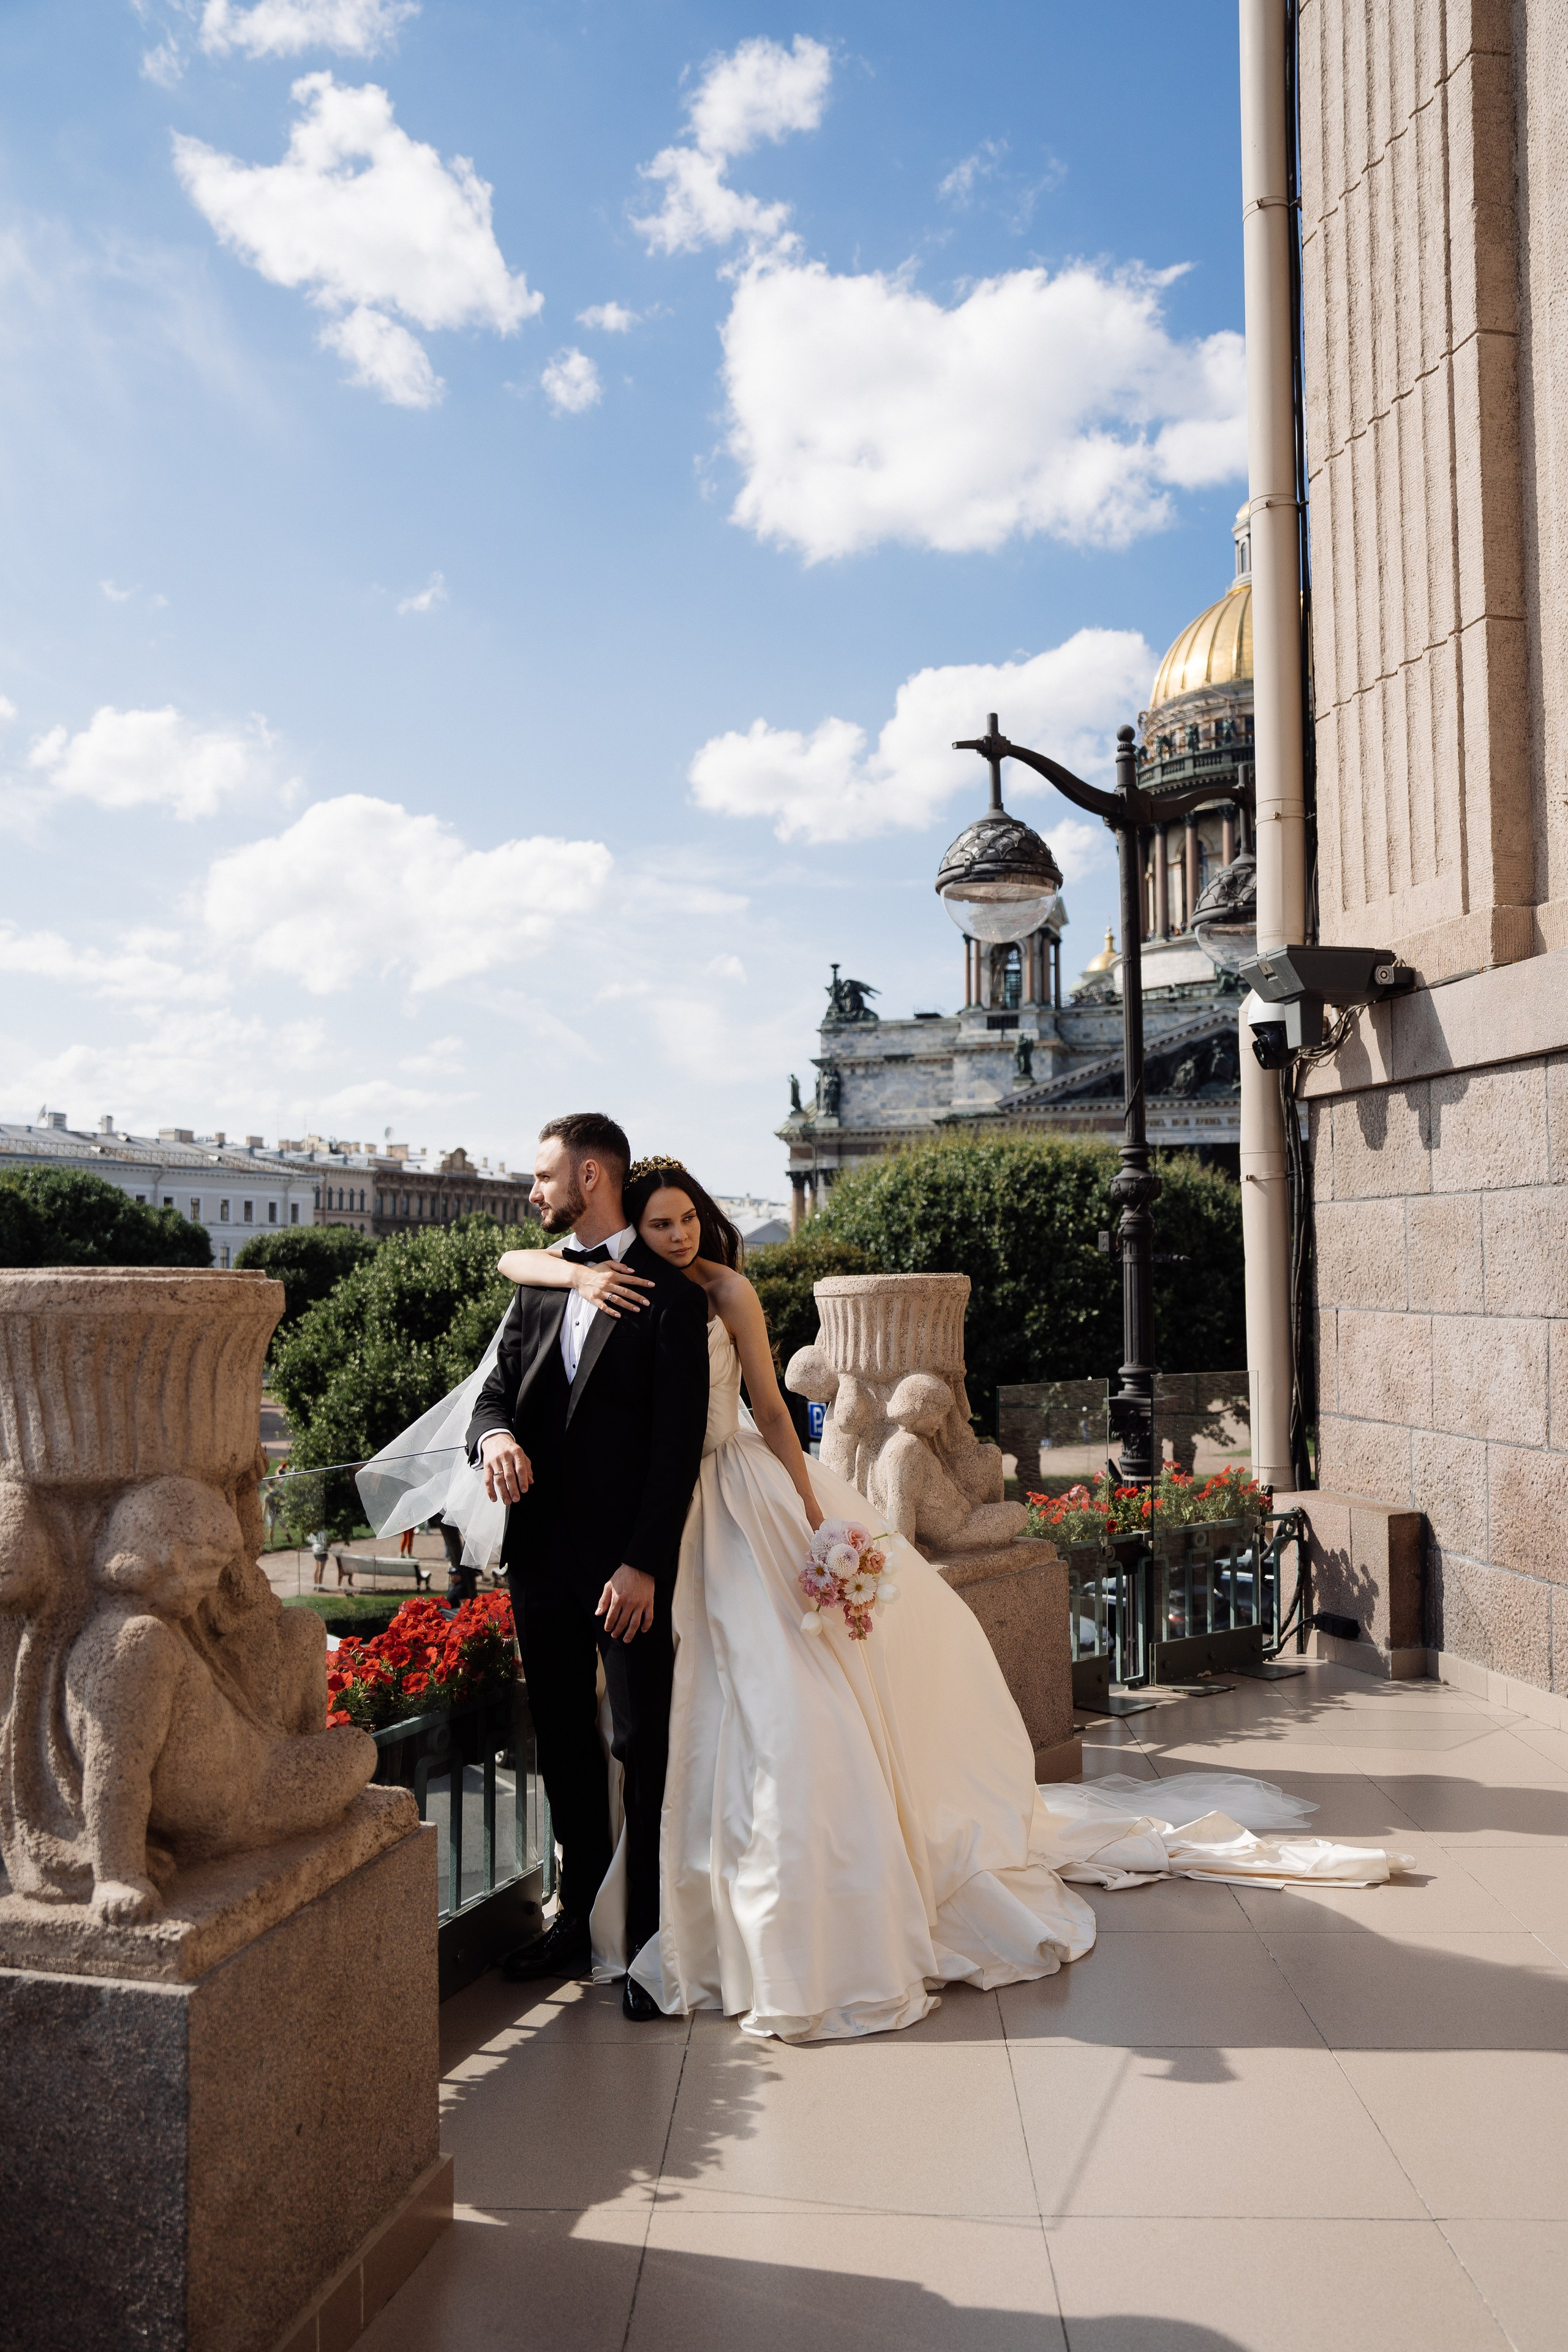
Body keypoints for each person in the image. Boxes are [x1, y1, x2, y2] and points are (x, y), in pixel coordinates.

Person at [499, 1156, 1415, 2043]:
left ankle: (763, 1916)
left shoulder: (722, 1291)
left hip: (733, 1496)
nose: (673, 1234)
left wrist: (814, 1510)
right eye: (659, 1223)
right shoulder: (614, 1285)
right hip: (667, 1521)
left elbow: (773, 1412)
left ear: (701, 1217)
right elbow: (543, 1302)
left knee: (776, 1702)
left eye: (684, 1219)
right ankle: (662, 1906)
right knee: (692, 1710)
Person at [465, 1114, 709, 2021]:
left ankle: (647, 1945)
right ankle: (578, 1924)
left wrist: (645, 1563)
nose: (534, 1192)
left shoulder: (671, 1299)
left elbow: (673, 1449)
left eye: (543, 1176)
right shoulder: (540, 1283)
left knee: (638, 1745)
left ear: (592, 1174)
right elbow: (494, 1390)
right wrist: (492, 1437)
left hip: (625, 1570)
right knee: (564, 1740)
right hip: (538, 1558)